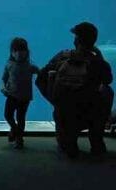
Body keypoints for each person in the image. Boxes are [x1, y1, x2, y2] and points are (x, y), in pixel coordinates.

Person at [36, 22, 112, 158]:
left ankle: (67, 136)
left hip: (64, 113)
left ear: (76, 40)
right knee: (108, 91)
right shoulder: (97, 62)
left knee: (67, 146)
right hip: (90, 112)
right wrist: (99, 56)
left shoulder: (63, 56)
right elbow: (108, 80)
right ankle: (96, 139)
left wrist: (55, 100)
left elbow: (40, 78)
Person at [0, 37, 39, 150]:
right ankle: (16, 131)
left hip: (24, 97)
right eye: (16, 50)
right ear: (12, 52)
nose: (19, 53)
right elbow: (3, 79)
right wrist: (2, 88)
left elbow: (40, 73)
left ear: (27, 52)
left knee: (20, 117)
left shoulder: (30, 66)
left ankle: (19, 138)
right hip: (11, 95)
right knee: (8, 115)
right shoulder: (9, 65)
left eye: (22, 50)